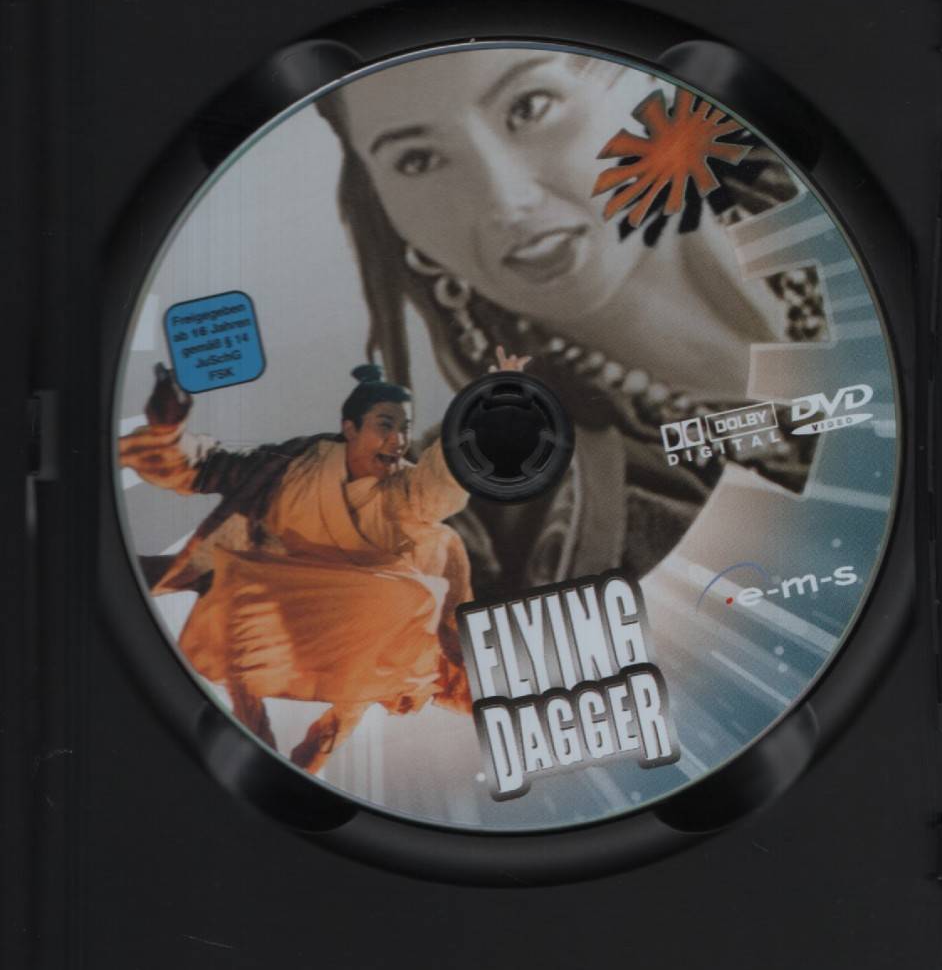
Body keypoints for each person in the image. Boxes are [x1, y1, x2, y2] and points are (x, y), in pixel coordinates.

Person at [315, 46, 823, 595]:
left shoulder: (830, 220)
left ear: (643, 85)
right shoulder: (456, 510)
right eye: (417, 160)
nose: (506, 199)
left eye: (530, 107)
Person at [119, 350, 527, 770]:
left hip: (330, 633)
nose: (398, 441)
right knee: (143, 580)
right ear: (350, 428)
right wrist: (168, 430)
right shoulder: (290, 470)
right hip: (252, 600)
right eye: (385, 425)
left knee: (410, 607)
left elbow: (438, 483)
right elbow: (204, 466)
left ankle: (297, 757)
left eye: (404, 429)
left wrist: (492, 405)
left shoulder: (403, 499)